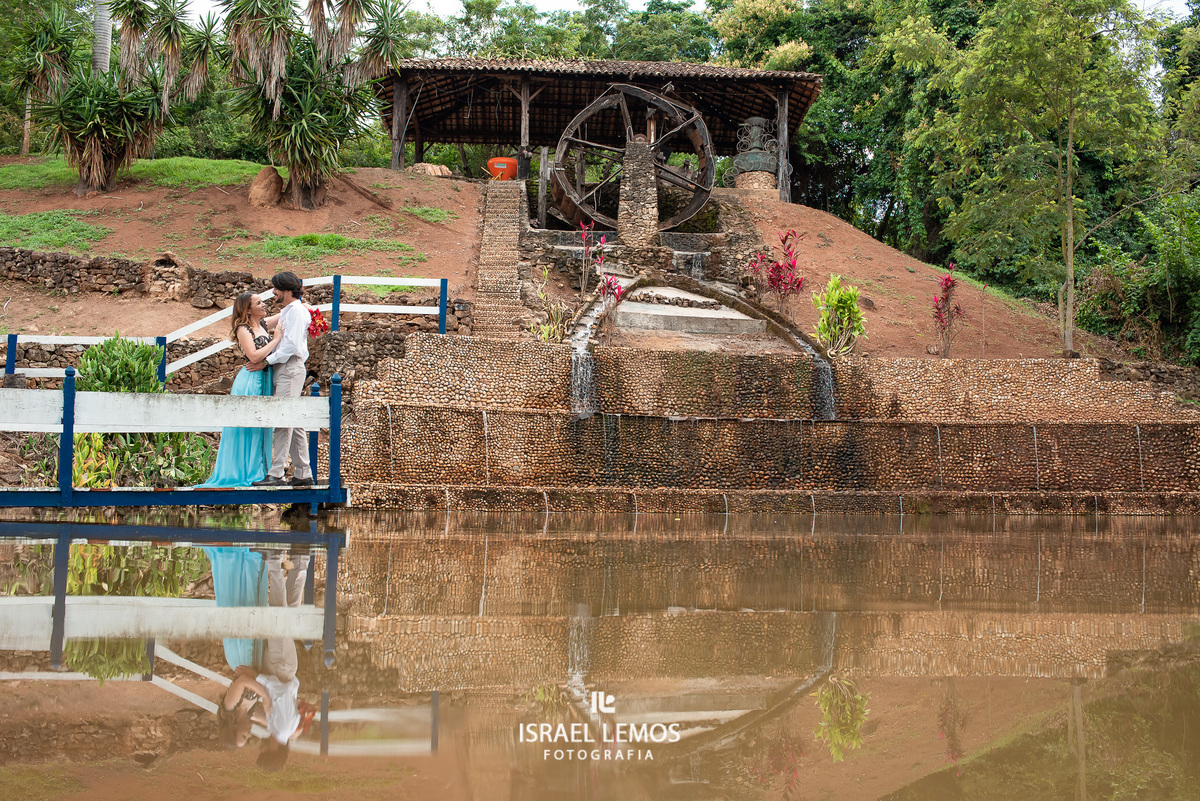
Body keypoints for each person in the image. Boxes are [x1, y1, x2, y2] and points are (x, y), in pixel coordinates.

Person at [196, 293, 284, 487]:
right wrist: (276, 340)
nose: (264, 304)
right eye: (258, 303)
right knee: (248, 426)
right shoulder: (243, 329)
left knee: (261, 427)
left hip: (265, 379)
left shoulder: (262, 324)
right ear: (247, 309)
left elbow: (286, 312)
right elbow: (254, 357)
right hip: (251, 380)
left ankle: (260, 470)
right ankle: (244, 471)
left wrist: (302, 304)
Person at [253, 271, 315, 488]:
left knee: (283, 419)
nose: (273, 292)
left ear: (287, 290)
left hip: (289, 366)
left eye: (276, 288)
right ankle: (304, 472)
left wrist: (266, 361)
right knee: (293, 421)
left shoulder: (296, 312)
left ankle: (277, 473)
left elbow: (291, 346)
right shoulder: (290, 311)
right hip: (286, 367)